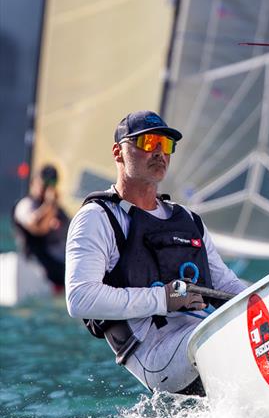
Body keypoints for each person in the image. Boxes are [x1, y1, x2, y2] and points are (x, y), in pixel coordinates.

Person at [65, 110, 247, 396]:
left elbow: (226, 285)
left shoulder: (188, 218)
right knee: (232, 340)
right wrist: (163, 299)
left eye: (166, 145)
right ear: (118, 153)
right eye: (149, 143)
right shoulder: (97, 218)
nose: (160, 152)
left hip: (199, 332)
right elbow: (80, 298)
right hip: (155, 352)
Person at [13, 164, 70, 289]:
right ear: (34, 183)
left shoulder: (59, 211)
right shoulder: (26, 204)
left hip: (59, 269)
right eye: (44, 184)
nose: (46, 188)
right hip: (35, 268)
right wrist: (49, 205)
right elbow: (35, 226)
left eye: (51, 184)